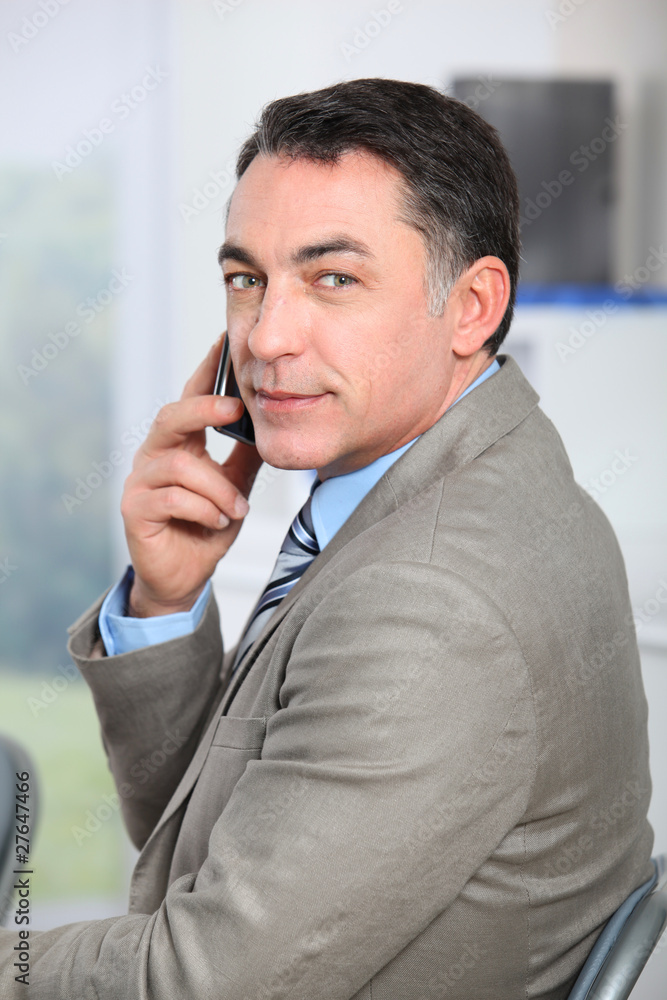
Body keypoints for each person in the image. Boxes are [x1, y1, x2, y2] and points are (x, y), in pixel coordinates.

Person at [0, 78, 654, 999]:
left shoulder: (430, 600)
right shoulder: (459, 477)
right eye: (246, 280)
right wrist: (166, 601)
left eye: (333, 279)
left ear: (472, 306)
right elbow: (213, 851)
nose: (267, 338)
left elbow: (196, 979)